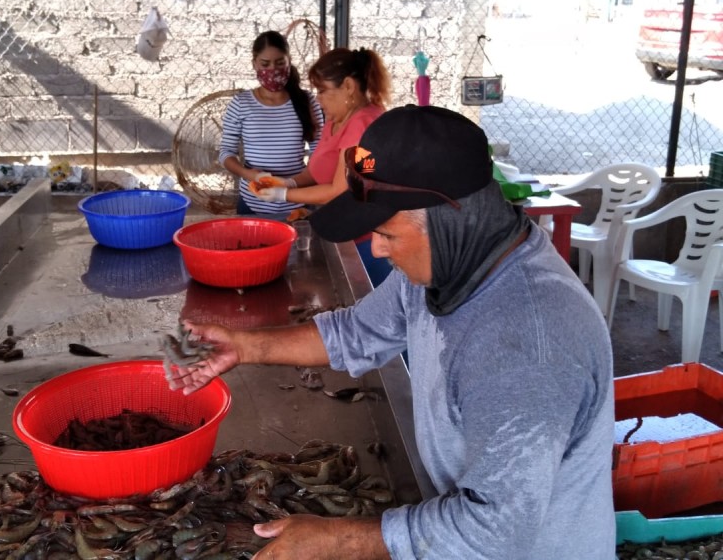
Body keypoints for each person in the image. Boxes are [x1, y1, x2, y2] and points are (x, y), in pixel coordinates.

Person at [168, 105, 615, 560]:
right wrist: (245, 346)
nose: (376, 247)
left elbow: (494, 530)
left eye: (386, 233)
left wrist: (336, 539)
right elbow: (358, 331)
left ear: (450, 218)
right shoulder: (449, 264)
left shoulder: (526, 346)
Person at [254, 46, 393, 286]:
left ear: (348, 86)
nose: (317, 98)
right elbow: (317, 170)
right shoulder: (336, 120)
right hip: (345, 230)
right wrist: (288, 181)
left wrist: (282, 194)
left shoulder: (363, 124)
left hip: (367, 239)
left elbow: (339, 191)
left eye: (322, 90)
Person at [218, 30, 324, 215]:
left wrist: (291, 184)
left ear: (289, 61)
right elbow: (226, 153)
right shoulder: (241, 104)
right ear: (254, 64)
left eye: (280, 63)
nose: (273, 70)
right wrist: (249, 174)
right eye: (265, 64)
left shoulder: (306, 102)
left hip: (297, 201)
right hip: (253, 202)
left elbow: (319, 153)